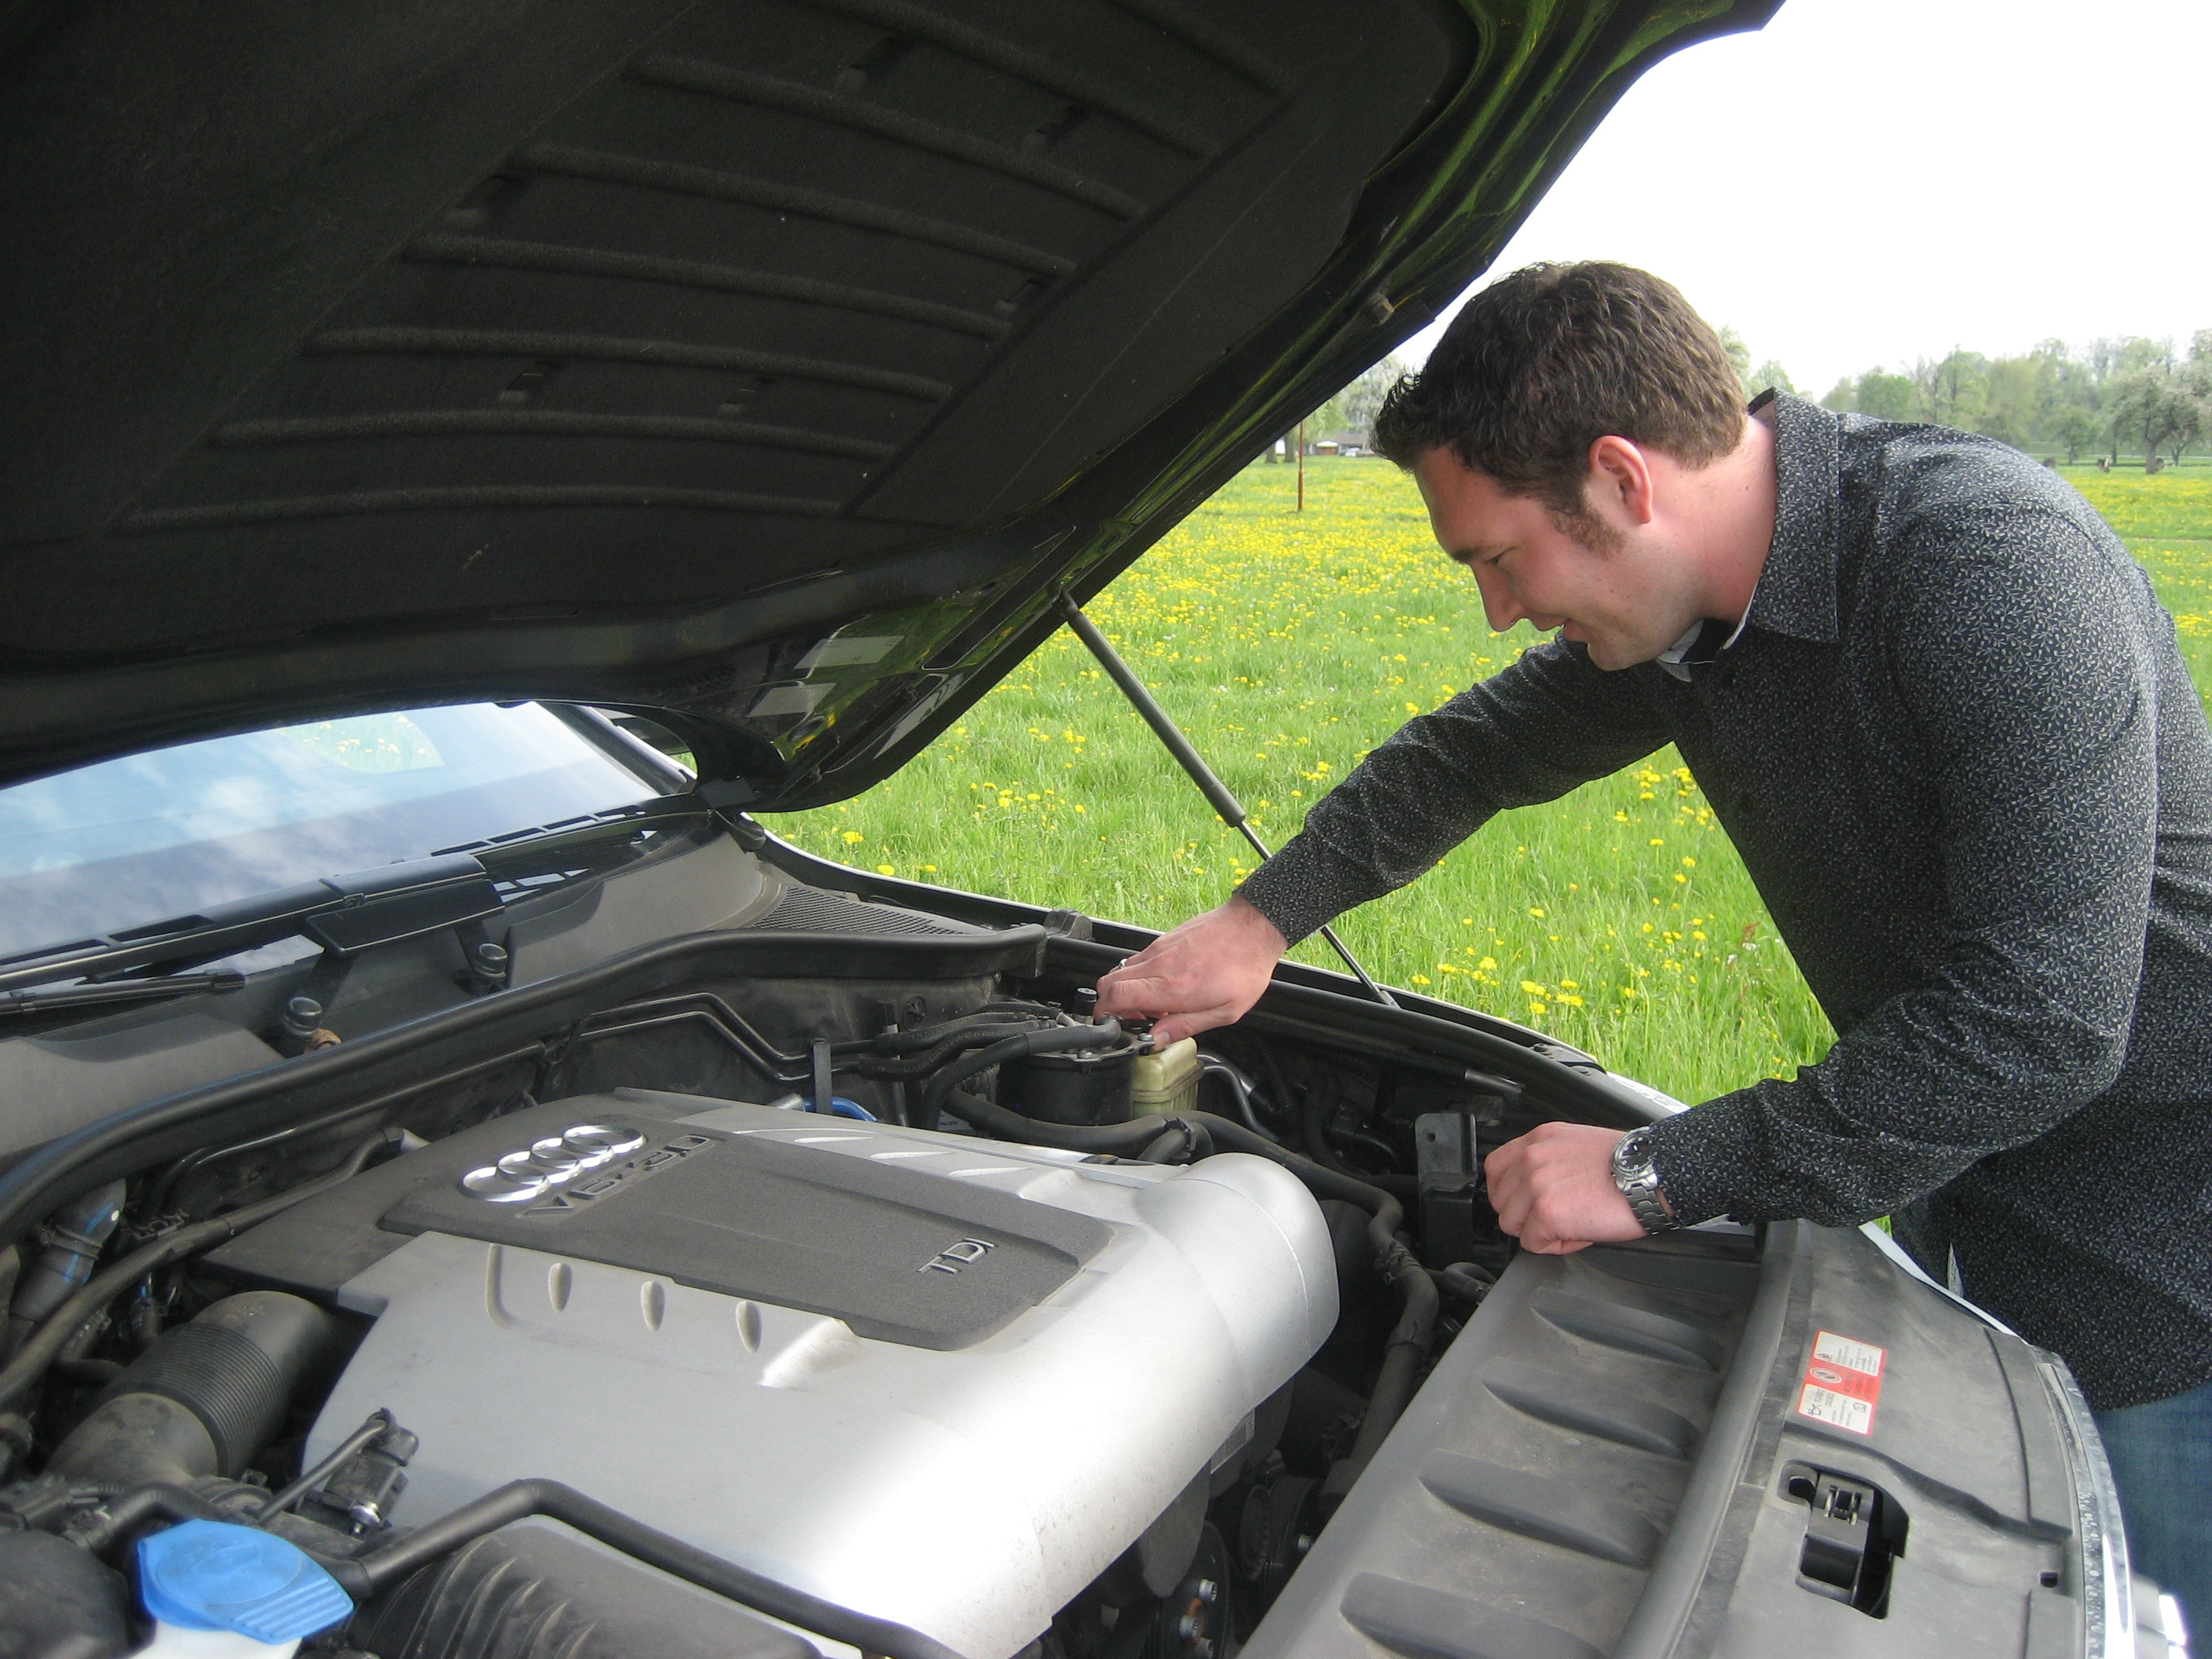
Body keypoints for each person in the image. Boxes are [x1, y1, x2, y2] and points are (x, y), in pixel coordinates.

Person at [1093, 262, 2212, 1630]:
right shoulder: (1697, 621)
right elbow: (1479, 750)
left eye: (1497, 558)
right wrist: (1260, 920)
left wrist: (1657, 1169)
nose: (1498, 611)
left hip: (2169, 1273)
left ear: (1622, 480)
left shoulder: (1985, 569)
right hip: (1969, 1214)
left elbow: (2047, 1020)